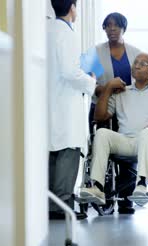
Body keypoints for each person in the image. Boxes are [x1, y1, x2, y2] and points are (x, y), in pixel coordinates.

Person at [79, 53, 148, 206]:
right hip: (126, 140)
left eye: (143, 63)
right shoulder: (121, 92)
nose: (137, 65)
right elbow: (99, 117)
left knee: (146, 133)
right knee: (102, 133)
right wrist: (109, 88)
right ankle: (97, 187)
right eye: (135, 62)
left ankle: (141, 186)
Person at [48, 0, 96, 220]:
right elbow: (70, 71)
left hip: (52, 101)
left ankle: (52, 205)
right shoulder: (68, 34)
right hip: (66, 104)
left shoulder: (46, 29)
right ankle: (62, 207)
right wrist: (91, 81)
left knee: (52, 154)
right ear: (72, 8)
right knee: (68, 154)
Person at [90, 13, 143, 214]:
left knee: (128, 152)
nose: (111, 29)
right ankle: (104, 195)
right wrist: (107, 88)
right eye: (108, 26)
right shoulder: (94, 53)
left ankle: (126, 199)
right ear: (104, 29)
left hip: (129, 109)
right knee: (105, 149)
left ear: (123, 28)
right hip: (102, 108)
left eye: (116, 26)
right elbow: (88, 83)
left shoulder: (136, 54)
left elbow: (143, 82)